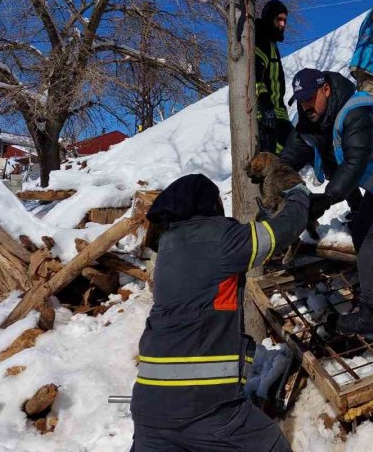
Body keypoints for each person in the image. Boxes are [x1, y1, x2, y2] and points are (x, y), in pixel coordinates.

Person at [130, 174, 309, 451]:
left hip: (149, 405)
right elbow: (284, 230)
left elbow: (214, 273)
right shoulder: (221, 238)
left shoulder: (169, 245)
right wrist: (299, 194)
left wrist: (260, 221)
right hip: (204, 407)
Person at [279, 69, 373, 341]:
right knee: (334, 167)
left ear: (326, 90)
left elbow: (355, 162)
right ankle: (360, 218)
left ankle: (370, 315)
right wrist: (273, 171)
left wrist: (327, 199)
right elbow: (295, 150)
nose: (306, 106)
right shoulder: (314, 116)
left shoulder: (354, 111)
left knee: (364, 234)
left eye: (310, 98)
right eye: (300, 101)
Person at [255, 0, 293, 153]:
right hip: (265, 115)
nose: (283, 24)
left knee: (295, 152)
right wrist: (264, 104)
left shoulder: (271, 43)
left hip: (278, 113)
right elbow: (255, 73)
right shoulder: (260, 38)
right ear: (269, 18)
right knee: (272, 160)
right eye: (279, 19)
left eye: (285, 20)